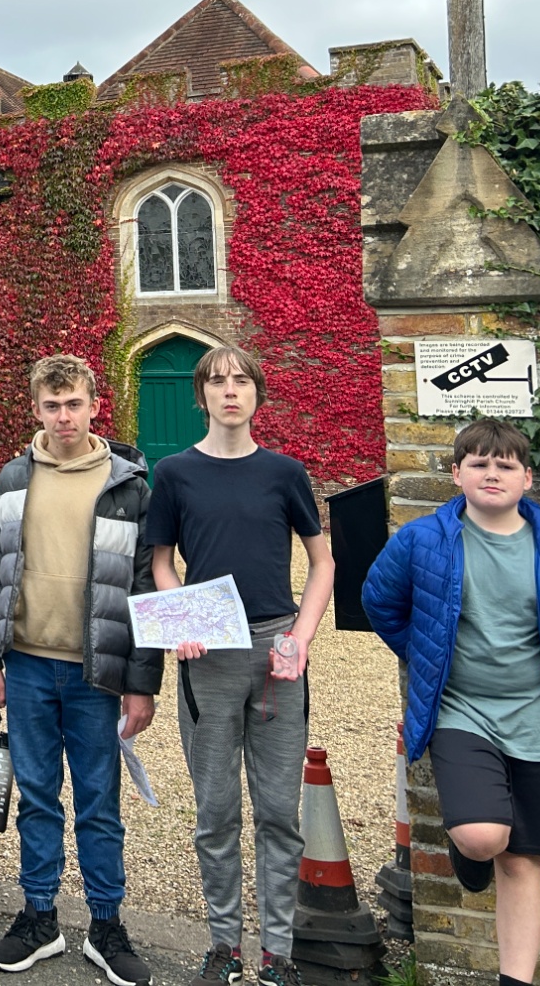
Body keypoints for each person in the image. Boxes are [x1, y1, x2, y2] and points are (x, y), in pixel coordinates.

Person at [362, 418, 540, 986]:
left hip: (538, 718)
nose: (492, 474)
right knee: (483, 837)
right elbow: (380, 601)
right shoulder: (423, 540)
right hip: (462, 710)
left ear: (526, 478)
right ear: (457, 474)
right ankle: (470, 848)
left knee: (523, 859)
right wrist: (426, 653)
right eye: (479, 463)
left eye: (505, 465)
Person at [146, 346, 334, 986]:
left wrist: (303, 638)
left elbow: (323, 562)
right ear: (201, 397)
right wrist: (184, 619)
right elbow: (162, 562)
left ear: (257, 394)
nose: (230, 391)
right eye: (217, 382)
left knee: (279, 812)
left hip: (278, 652)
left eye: (241, 381)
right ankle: (224, 945)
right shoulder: (173, 474)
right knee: (216, 812)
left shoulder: (285, 473)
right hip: (210, 656)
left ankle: (277, 954)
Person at [0, 355, 158, 985]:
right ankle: (40, 916)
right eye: (51, 406)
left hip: (97, 673)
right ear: (36, 410)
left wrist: (142, 682)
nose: (63, 417)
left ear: (93, 404)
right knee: (38, 798)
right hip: (24, 664)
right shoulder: (13, 477)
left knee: (100, 801)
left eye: (73, 403)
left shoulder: (127, 484)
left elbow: (142, 588)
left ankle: (106, 924)